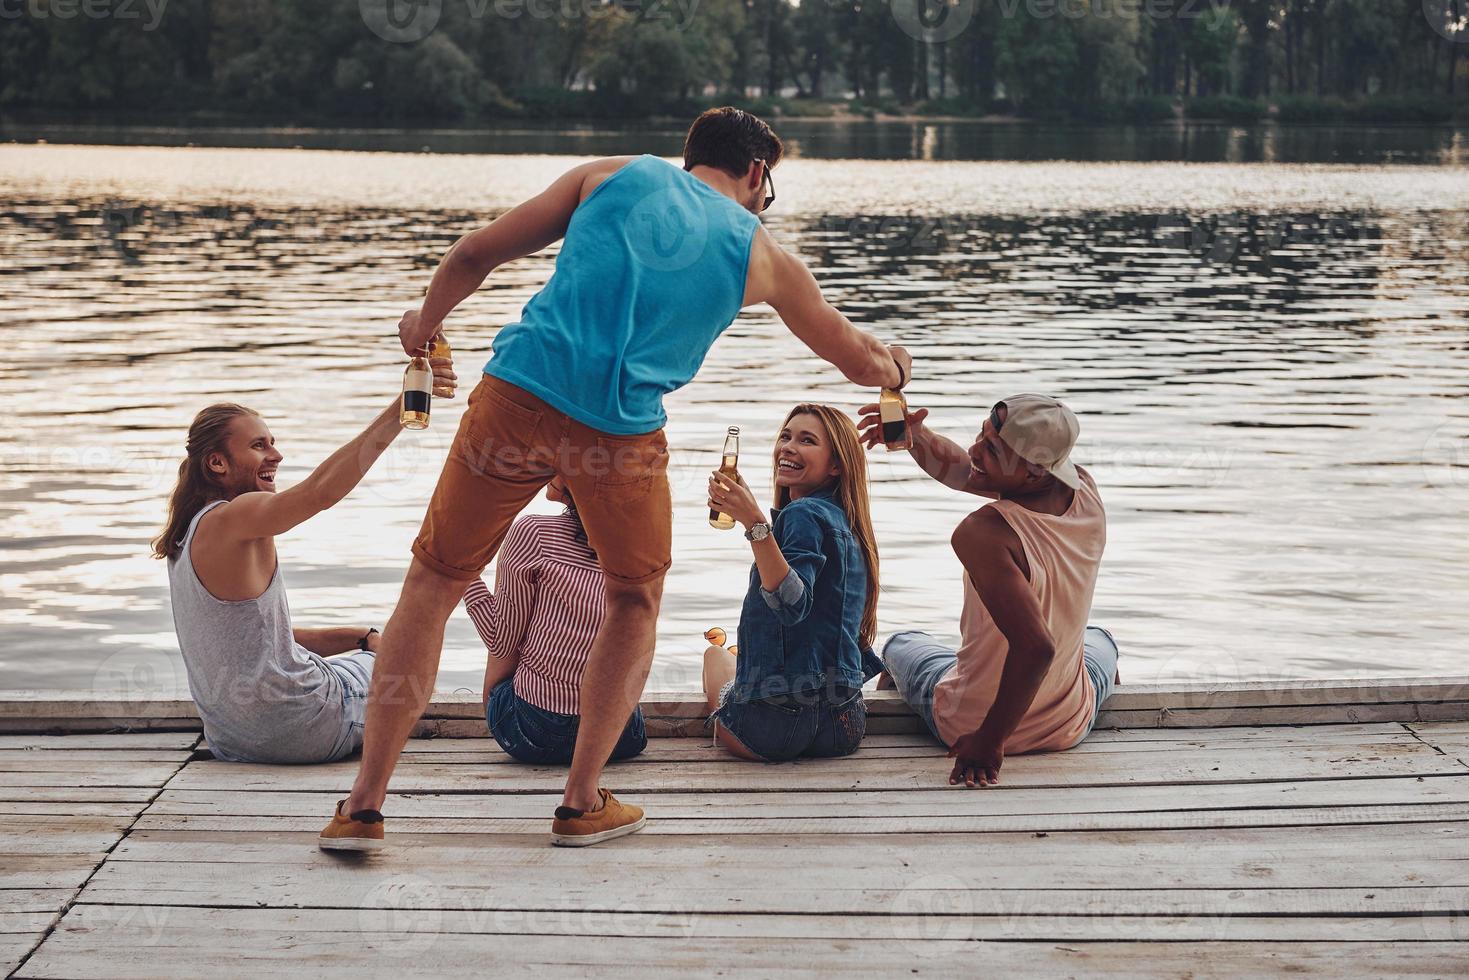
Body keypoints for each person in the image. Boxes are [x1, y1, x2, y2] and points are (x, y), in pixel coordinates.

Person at [319, 106, 911, 852]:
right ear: (758, 175)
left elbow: (474, 255)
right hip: (618, 435)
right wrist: (894, 365)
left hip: (515, 396)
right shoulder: (763, 257)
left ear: (689, 155)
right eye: (769, 191)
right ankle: (580, 800)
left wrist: (424, 319)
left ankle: (363, 807)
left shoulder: (609, 176)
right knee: (632, 599)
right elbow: (857, 360)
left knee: (433, 582)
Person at [151, 354, 458, 766]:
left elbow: (257, 639)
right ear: (217, 463)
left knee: (369, 653)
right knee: (410, 656)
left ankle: (363, 660)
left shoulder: (186, 537)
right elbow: (319, 493)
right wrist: (402, 406)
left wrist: (360, 636)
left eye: (273, 442)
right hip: (306, 726)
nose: (276, 456)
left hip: (235, 739)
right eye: (259, 446)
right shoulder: (234, 518)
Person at [858, 394, 1118, 789]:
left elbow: (1037, 648)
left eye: (992, 448)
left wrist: (988, 743)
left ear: (1033, 473)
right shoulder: (1083, 490)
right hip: (1068, 723)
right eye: (981, 433)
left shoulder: (983, 533)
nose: (975, 449)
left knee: (899, 644)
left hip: (974, 725)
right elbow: (968, 471)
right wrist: (917, 436)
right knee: (1099, 639)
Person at [702, 404, 885, 761]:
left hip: (771, 730)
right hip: (843, 727)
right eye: (785, 436)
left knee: (715, 655)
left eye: (806, 440)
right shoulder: (848, 524)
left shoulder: (800, 514)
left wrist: (755, 524)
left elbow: (791, 604)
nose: (788, 446)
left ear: (836, 465)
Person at [464, 477, 647, 765]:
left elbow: (501, 641)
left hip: (536, 732)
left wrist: (466, 572)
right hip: (620, 737)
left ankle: (501, 707)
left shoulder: (533, 532)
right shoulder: (645, 541)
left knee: (510, 633)